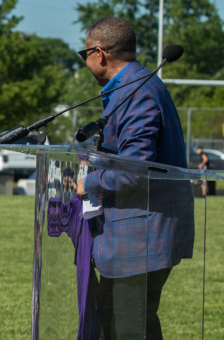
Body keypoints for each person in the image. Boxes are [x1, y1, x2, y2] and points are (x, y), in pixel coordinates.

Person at [75, 17, 194, 340]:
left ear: (98, 53)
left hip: (141, 236)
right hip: (129, 237)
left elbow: (135, 170)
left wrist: (92, 182)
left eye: (83, 54)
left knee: (131, 330)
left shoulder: (138, 93)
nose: (84, 62)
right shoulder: (129, 87)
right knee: (116, 326)